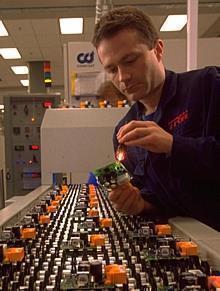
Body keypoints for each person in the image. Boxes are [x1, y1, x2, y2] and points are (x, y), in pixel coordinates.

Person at [92, 6, 220, 231]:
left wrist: (173, 145)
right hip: (187, 248)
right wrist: (140, 203)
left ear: (158, 49)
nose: (123, 77)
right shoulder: (124, 131)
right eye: (112, 69)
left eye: (130, 60)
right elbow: (157, 198)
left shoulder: (208, 86)